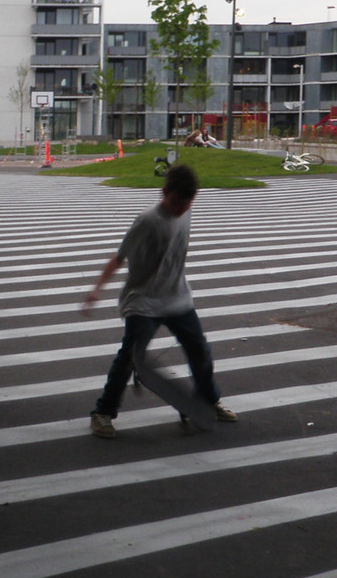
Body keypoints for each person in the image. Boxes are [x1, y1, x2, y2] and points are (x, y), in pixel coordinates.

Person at [81, 164, 237, 437]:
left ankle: (209, 401)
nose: (181, 209)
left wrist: (185, 207)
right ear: (164, 192)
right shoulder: (147, 221)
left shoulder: (186, 210)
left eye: (187, 204)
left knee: (200, 352)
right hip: (143, 302)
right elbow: (118, 258)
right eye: (177, 203)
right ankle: (103, 412)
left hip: (177, 297)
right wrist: (96, 291)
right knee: (129, 358)